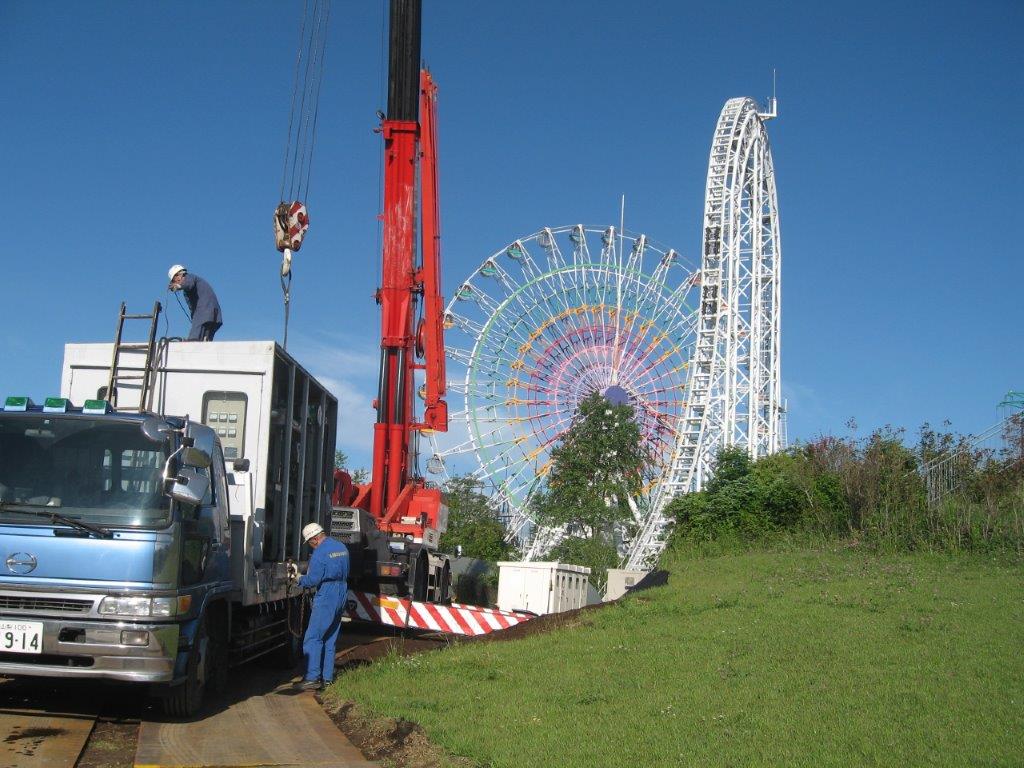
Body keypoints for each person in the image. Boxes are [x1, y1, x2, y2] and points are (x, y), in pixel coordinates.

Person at [292, 522, 350, 691]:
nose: (310, 546)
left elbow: (312, 580)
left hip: (327, 594)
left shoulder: (319, 554)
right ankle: (327, 678)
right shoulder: (341, 547)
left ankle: (312, 677)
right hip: (342, 591)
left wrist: (298, 578)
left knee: (313, 637)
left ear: (315, 539)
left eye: (310, 542)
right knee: (330, 638)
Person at [167, 265, 223, 341]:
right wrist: (193, 318)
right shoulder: (188, 289)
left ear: (179, 275)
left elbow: (188, 283)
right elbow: (191, 307)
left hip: (204, 312)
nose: (175, 282)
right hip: (213, 315)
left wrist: (178, 286)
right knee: (205, 341)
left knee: (194, 339)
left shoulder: (189, 277)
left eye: (174, 280)